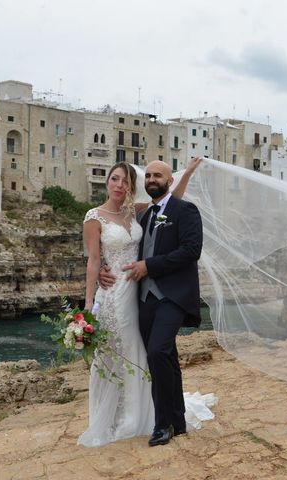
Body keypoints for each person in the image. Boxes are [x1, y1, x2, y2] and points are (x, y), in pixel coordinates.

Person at [79, 158, 203, 447]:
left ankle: (160, 420)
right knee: (120, 353)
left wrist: (187, 173)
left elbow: (173, 205)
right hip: (118, 295)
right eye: (114, 179)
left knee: (150, 352)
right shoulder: (96, 216)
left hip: (144, 293)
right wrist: (90, 299)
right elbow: (93, 259)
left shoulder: (135, 213)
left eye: (125, 180)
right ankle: (125, 416)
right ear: (107, 182)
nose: (119, 184)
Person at [121, 159, 204, 446]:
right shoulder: (144, 215)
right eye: (149, 175)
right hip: (145, 298)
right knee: (165, 357)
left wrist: (150, 266)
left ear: (170, 181)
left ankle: (162, 424)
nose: (152, 179)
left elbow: (192, 250)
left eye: (159, 175)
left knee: (157, 351)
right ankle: (178, 420)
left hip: (174, 295)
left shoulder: (185, 210)